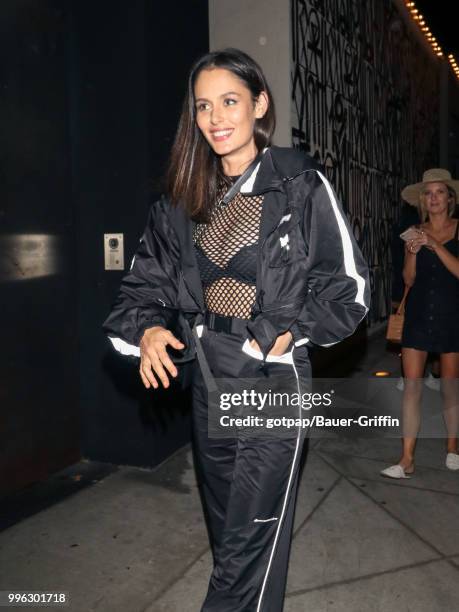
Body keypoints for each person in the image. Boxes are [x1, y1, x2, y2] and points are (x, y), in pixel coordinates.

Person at [104, 48, 369, 611]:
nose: (216, 118)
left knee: (250, 543)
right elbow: (142, 286)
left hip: (271, 379)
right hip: (207, 376)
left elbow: (349, 288)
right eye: (204, 106)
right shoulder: (181, 201)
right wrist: (149, 329)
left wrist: (290, 332)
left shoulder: (298, 184)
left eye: (230, 101)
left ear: (259, 105)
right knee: (232, 537)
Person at [381, 169, 459, 479]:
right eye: (429, 193)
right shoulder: (413, 232)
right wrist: (413, 253)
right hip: (418, 315)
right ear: (423, 201)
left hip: (452, 315)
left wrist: (436, 246)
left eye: (440, 192)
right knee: (412, 388)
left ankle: (453, 447)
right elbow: (408, 279)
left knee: (450, 388)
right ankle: (406, 459)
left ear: (450, 198)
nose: (434, 198)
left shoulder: (458, 229)